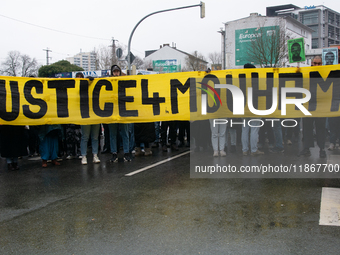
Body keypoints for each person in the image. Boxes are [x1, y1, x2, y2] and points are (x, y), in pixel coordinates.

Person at [299, 56, 327, 158]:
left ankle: (322, 149)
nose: (316, 65)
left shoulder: (325, 74)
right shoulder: (307, 73)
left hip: (321, 107)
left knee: (320, 129)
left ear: (322, 64)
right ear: (312, 63)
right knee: (307, 128)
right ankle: (307, 148)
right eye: (315, 63)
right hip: (308, 106)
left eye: (319, 63)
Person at [108, 65, 131, 162]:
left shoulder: (124, 81)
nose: (116, 73)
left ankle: (126, 152)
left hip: (122, 110)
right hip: (112, 111)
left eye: (117, 72)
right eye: (114, 72)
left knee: (125, 133)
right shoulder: (108, 82)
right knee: (113, 134)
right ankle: (114, 153)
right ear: (112, 73)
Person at [76, 72, 101, 165]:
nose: (79, 79)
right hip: (85, 115)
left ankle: (95, 155)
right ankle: (84, 156)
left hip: (95, 114)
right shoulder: (77, 89)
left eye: (81, 77)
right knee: (85, 137)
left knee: (95, 137)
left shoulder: (92, 87)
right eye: (77, 77)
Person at [241, 63, 264, 156]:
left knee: (245, 129)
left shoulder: (241, 78)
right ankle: (254, 150)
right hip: (255, 106)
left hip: (243, 107)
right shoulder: (257, 78)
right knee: (254, 129)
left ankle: (245, 150)